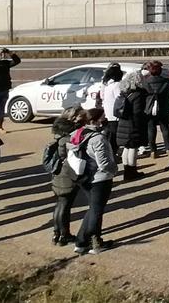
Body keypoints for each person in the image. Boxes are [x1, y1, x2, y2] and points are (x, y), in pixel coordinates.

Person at [71, 107, 117, 255]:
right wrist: (113, 170)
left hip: (83, 176)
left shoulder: (77, 134)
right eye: (102, 117)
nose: (105, 119)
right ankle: (95, 242)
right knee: (97, 211)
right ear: (95, 120)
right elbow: (103, 162)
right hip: (99, 178)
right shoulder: (98, 138)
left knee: (92, 209)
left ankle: (81, 241)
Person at [48, 107, 83, 244]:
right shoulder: (68, 138)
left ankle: (57, 233)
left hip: (58, 172)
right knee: (65, 205)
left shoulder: (58, 135)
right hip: (67, 173)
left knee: (60, 204)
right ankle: (64, 234)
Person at [114, 68, 146, 181]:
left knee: (126, 148)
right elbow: (137, 112)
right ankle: (132, 171)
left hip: (123, 121)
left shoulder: (125, 92)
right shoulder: (138, 94)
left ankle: (127, 171)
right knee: (133, 147)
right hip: (133, 124)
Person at [139, 62, 169, 160]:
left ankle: (153, 151)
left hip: (149, 107)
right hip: (163, 107)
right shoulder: (165, 81)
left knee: (151, 129)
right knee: (165, 128)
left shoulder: (145, 82)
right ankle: (168, 149)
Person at [98, 63, 124, 150]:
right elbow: (119, 98)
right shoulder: (116, 85)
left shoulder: (107, 85)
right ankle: (113, 151)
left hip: (109, 112)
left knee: (111, 133)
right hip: (115, 113)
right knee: (114, 134)